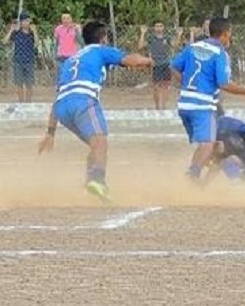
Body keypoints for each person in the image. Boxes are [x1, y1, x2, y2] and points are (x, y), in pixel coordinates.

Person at [37, 20, 153, 201]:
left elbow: (60, 95)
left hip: (62, 108)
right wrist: (149, 61)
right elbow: (130, 60)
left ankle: (90, 185)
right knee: (100, 142)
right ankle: (97, 181)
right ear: (103, 38)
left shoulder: (71, 60)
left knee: (95, 144)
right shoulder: (100, 50)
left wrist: (50, 132)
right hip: (83, 101)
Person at [171, 17, 245, 182]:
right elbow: (224, 84)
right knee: (209, 145)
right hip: (203, 106)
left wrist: (186, 84)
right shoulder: (220, 53)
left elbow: (173, 66)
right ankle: (192, 178)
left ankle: (206, 181)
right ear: (225, 34)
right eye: (230, 34)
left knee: (214, 145)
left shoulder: (192, 47)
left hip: (185, 105)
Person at [138, 21, 183, 110]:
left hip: (166, 64)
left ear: (163, 27)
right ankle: (157, 107)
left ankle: (164, 106)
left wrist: (179, 35)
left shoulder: (167, 38)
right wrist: (142, 33)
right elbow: (140, 46)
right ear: (154, 28)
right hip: (155, 64)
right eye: (157, 26)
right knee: (156, 87)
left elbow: (175, 45)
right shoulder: (151, 38)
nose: (159, 27)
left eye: (160, 26)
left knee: (165, 86)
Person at [4, 12, 37, 104]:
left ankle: (28, 102)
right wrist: (11, 30)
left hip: (30, 61)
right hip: (18, 61)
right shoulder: (16, 33)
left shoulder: (32, 33)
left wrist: (35, 32)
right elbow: (4, 42)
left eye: (28, 21)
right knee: (19, 84)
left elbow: (36, 44)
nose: (26, 23)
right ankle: (21, 102)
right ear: (21, 22)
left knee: (29, 84)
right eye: (24, 21)